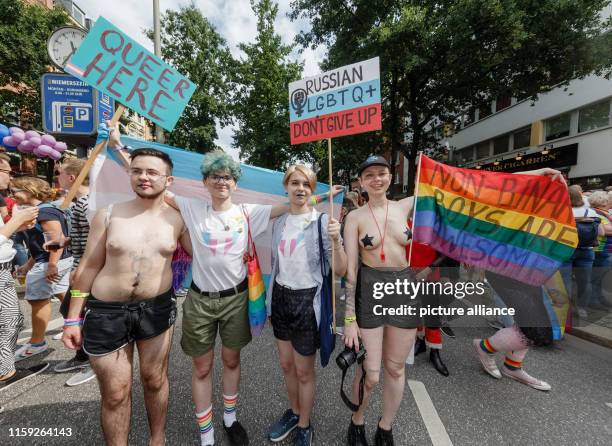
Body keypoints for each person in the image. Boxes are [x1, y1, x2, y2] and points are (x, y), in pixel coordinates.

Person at [161, 150, 340, 446]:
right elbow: (154, 185)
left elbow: (293, 205)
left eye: (227, 177)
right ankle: (207, 436)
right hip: (200, 301)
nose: (221, 182)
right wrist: (118, 150)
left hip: (238, 300)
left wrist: (324, 195)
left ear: (235, 183)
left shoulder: (247, 212)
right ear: (205, 181)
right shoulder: (191, 207)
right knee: (203, 368)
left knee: (232, 361)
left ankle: (231, 419)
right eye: (215, 177)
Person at [63, 148, 192, 446]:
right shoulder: (108, 214)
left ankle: (156, 440)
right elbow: (88, 267)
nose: (144, 177)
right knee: (116, 392)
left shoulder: (179, 219)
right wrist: (72, 318)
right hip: (107, 312)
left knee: (155, 380)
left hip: (157, 310)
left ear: (168, 180)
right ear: (129, 174)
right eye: (137, 171)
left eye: (152, 172)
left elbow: (208, 251)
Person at [342, 155, 420, 446]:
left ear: (390, 177)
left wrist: (536, 174)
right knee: (371, 373)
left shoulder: (406, 205)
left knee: (396, 368)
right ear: (361, 182)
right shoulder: (355, 217)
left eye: (382, 173)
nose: (377, 179)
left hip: (404, 290)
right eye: (370, 174)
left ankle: (385, 427)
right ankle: (357, 419)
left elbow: (459, 188)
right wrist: (349, 318)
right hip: (371, 290)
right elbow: (351, 270)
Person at [267, 165, 347, 446]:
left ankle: (304, 424)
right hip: (280, 298)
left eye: (307, 185)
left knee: (303, 371)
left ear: (312, 190)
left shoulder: (323, 223)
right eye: (295, 183)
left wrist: (337, 241)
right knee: (287, 366)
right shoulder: (279, 221)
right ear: (286, 186)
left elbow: (341, 269)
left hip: (306, 300)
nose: (300, 188)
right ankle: (294, 411)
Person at [12, 177, 73, 361]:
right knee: (65, 295)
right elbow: (40, 243)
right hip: (52, 262)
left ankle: (37, 343)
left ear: (30, 190)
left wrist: (52, 265)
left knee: (38, 301)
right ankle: (79, 327)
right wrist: (28, 264)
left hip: (50, 263)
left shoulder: (45, 212)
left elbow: (56, 241)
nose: (12, 194)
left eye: (16, 190)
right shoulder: (45, 210)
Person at [0, 154, 46, 389]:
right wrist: (16, 222)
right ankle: (5, 370)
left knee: (11, 319)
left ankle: (5, 368)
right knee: (10, 318)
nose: (10, 179)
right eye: (8, 172)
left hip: (6, 267)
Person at [54, 158, 97, 386]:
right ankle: (83, 356)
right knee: (70, 310)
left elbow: (95, 241)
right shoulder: (79, 202)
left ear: (72, 177)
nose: (57, 177)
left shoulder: (87, 203)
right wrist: (66, 240)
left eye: (60, 173)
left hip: (86, 271)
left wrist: (79, 266)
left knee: (84, 314)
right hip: (80, 267)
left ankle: (91, 359)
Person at [560, 185, 603, 318]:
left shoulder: (562, 212)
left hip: (567, 250)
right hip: (587, 250)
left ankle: (566, 311)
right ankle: (582, 309)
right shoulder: (591, 212)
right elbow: (600, 232)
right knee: (585, 281)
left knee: (565, 281)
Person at [588, 191, 612, 309]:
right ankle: (593, 300)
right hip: (601, 250)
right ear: (603, 202)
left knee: (602, 277)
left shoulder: (604, 213)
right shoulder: (597, 214)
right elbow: (606, 231)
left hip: (605, 250)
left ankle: (600, 298)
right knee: (597, 277)